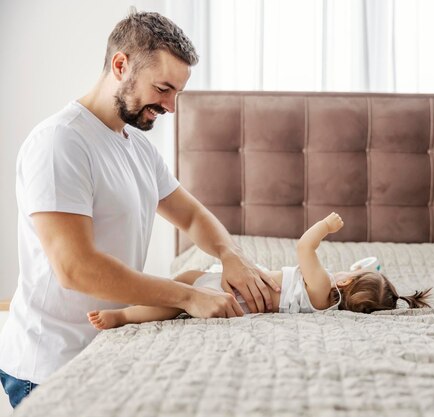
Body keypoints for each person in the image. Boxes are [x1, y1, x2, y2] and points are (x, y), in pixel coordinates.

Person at [0, 10, 280, 408]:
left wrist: (230, 255)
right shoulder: (60, 143)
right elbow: (74, 267)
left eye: (177, 94)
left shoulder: (136, 146)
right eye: (163, 89)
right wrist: (187, 296)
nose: (171, 106)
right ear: (120, 65)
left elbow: (192, 215)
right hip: (50, 367)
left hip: (105, 349)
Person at [88, 212, 432, 329]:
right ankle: (133, 311)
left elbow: (303, 247)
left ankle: (126, 316)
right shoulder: (325, 304)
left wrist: (325, 227)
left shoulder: (323, 283)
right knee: (180, 295)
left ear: (346, 280)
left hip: (238, 294)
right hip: (246, 301)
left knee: (182, 290)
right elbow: (362, 276)